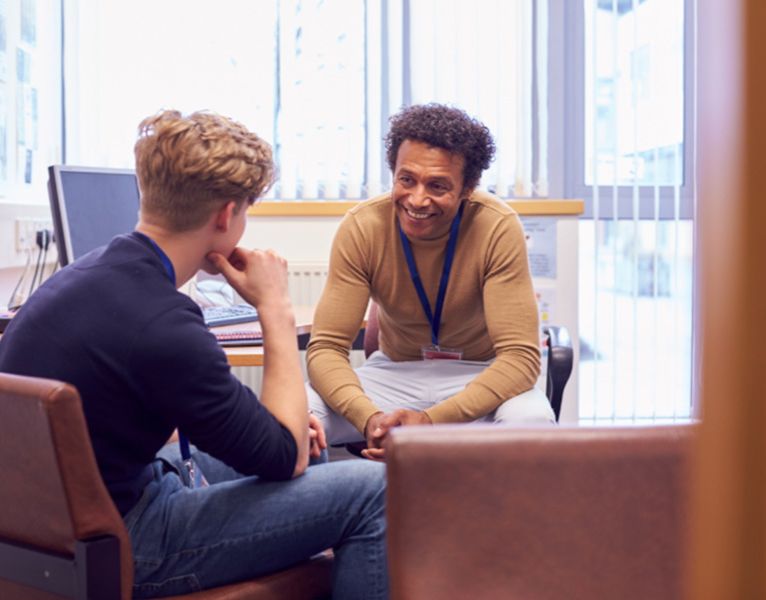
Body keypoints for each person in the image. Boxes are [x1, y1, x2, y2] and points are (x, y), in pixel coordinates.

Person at [0, 110, 388, 599]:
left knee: (316, 457)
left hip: (57, 526)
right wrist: (275, 307)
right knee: (375, 490)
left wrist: (285, 438)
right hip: (127, 541)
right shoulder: (164, 324)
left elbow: (265, 439)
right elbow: (283, 457)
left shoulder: (81, 276)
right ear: (226, 215)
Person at [306, 103, 554, 460]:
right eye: (406, 179)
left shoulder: (497, 226)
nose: (417, 199)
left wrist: (432, 421)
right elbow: (326, 348)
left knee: (532, 424)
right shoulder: (363, 227)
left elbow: (519, 358)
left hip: (479, 375)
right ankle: (331, 511)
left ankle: (499, 518)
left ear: (467, 188)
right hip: (393, 375)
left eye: (437, 185)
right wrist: (370, 419)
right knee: (297, 415)